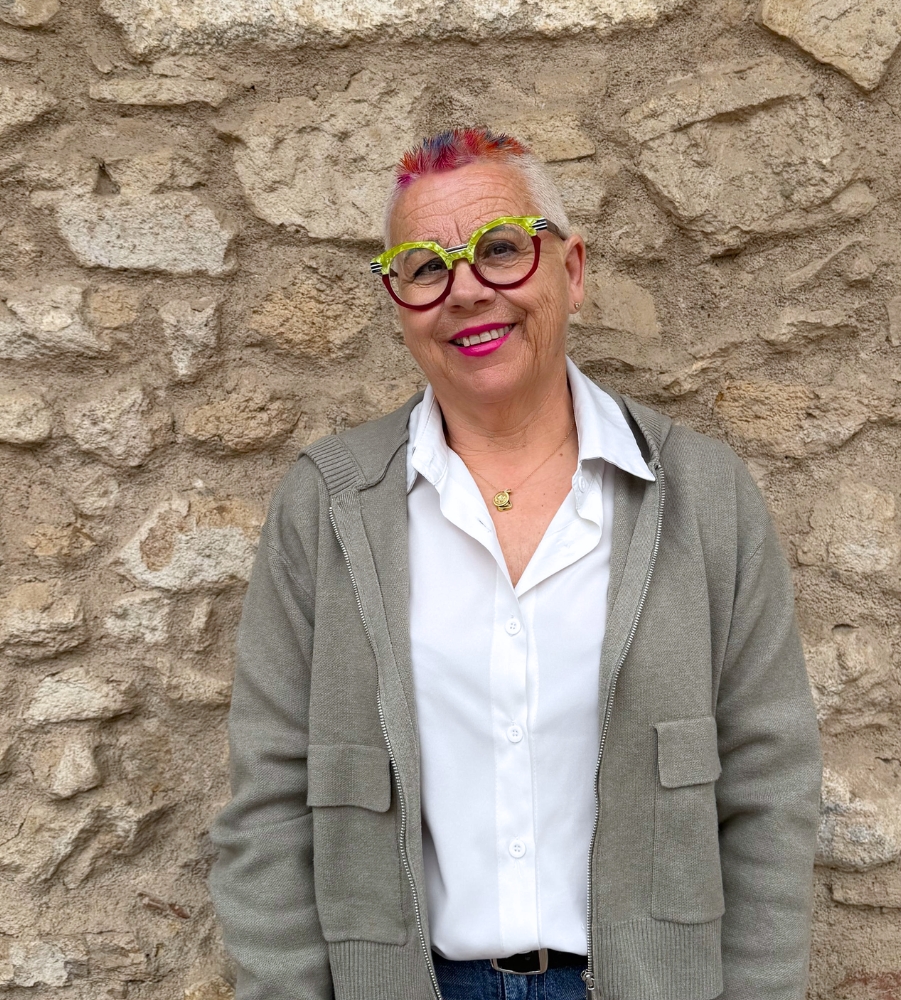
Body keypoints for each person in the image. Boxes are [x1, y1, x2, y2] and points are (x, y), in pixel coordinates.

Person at [209, 127, 823, 1000]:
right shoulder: (328, 504)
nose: (465, 291)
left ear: (571, 270)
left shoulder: (705, 497)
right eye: (426, 267)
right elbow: (269, 802)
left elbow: (769, 789)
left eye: (500, 250)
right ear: (398, 302)